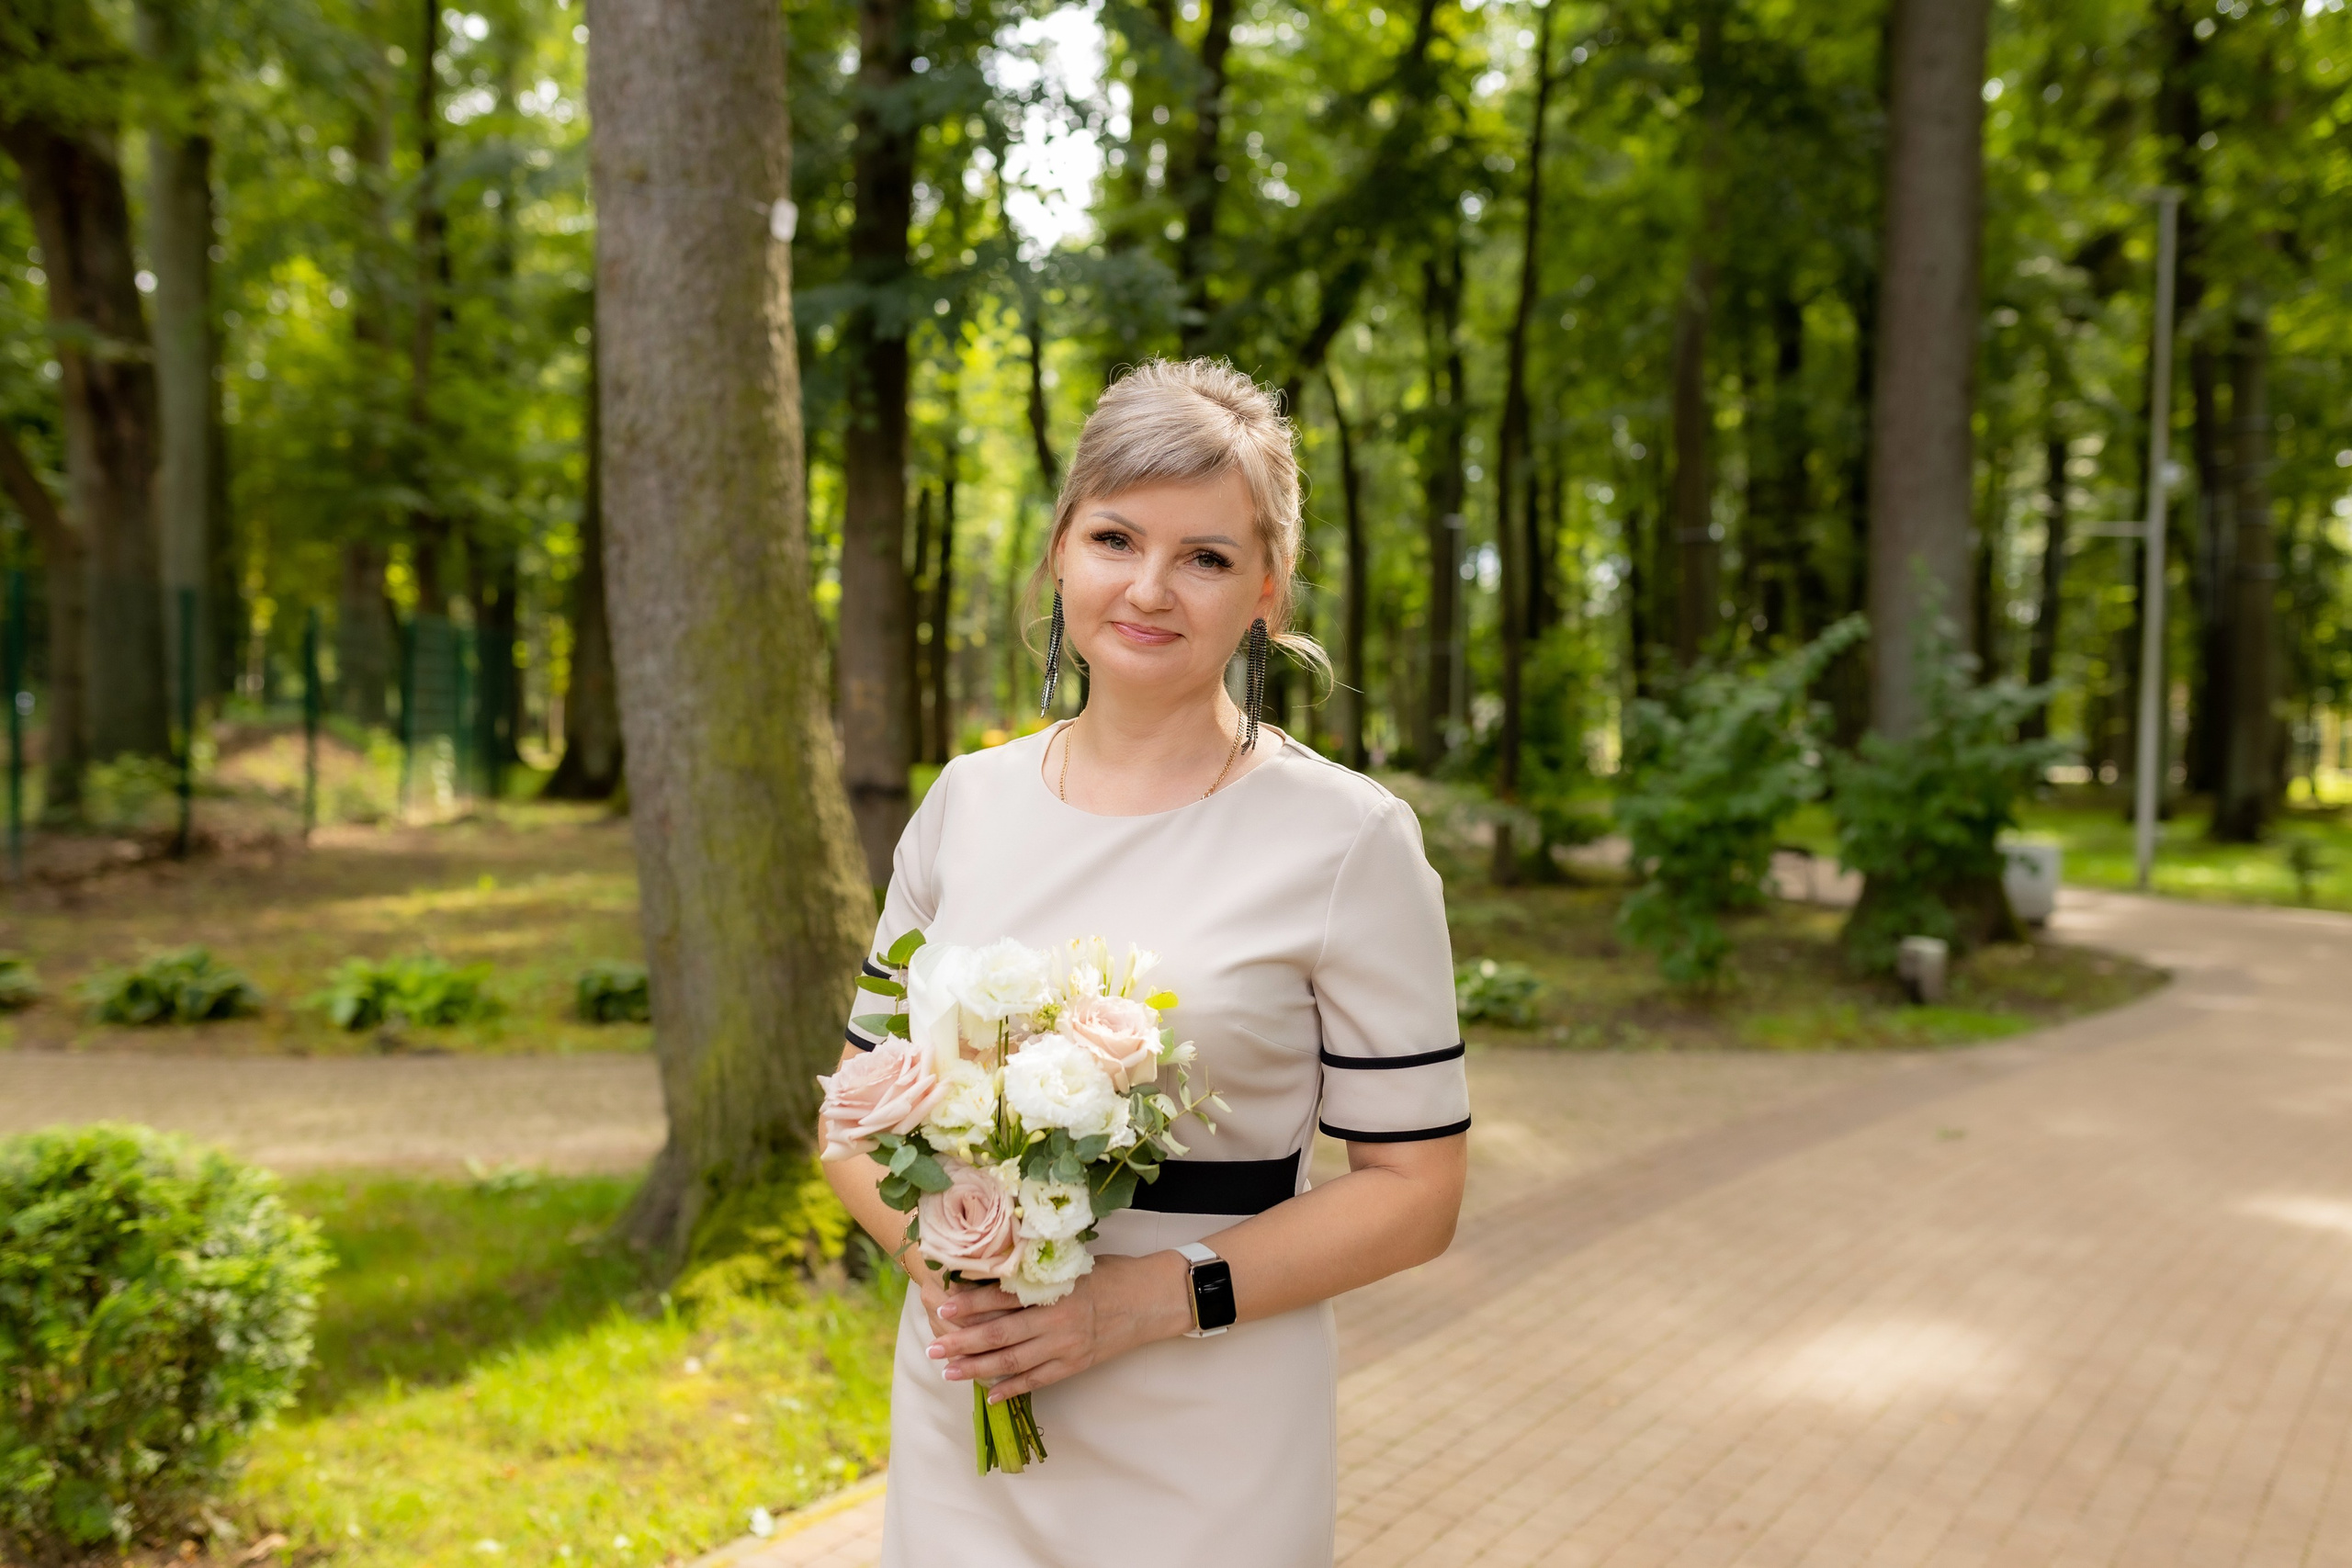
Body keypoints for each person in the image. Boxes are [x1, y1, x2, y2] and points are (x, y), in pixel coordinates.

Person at [823, 357, 1470, 1568]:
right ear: (1062, 549)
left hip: (1209, 1435)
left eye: (1207, 557)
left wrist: (1136, 1305)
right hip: (971, 1414)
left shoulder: (1348, 841)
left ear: (1267, 592)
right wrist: (950, 1272)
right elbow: (853, 1116)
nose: (1151, 588)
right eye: (1117, 537)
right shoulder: (965, 803)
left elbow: (1416, 1191)